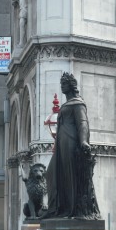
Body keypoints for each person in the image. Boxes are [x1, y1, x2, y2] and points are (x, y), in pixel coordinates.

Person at [44, 72, 101, 220]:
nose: (62, 86)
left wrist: (83, 141)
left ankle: (70, 210)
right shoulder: (67, 104)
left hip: (71, 142)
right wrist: (55, 145)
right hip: (61, 144)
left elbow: (83, 123)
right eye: (61, 83)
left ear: (71, 85)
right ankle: (57, 208)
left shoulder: (78, 103)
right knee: (51, 173)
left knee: (69, 176)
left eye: (64, 83)